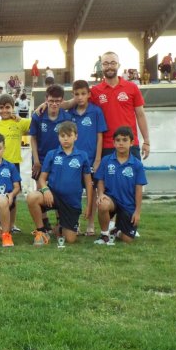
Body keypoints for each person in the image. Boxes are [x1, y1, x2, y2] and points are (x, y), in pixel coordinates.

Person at [26, 121, 93, 246]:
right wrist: (45, 190)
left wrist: (89, 206)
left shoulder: (82, 156)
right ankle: (41, 231)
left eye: (69, 135)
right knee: (32, 197)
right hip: (53, 196)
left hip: (71, 201)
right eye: (62, 136)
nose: (66, 139)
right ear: (58, 137)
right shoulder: (52, 154)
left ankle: (60, 228)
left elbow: (89, 183)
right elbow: (42, 178)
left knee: (70, 239)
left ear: (76, 136)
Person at [94, 127, 148, 245]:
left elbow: (139, 189)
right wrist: (101, 194)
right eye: (118, 140)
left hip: (128, 204)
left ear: (132, 143)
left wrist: (137, 212)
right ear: (113, 143)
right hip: (111, 200)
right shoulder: (106, 160)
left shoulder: (137, 165)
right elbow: (100, 180)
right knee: (102, 204)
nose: (121, 143)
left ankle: (116, 231)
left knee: (127, 239)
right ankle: (104, 235)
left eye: (125, 140)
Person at [69, 80, 107, 236]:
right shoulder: (69, 114)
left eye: (83, 94)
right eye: (77, 94)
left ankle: (91, 224)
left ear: (89, 95)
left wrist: (98, 159)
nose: (80, 97)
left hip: (91, 160)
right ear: (73, 95)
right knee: (75, 192)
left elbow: (100, 137)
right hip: (74, 160)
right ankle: (75, 223)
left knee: (92, 191)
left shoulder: (96, 112)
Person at [0, 94, 30, 233]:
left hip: (13, 165)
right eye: (1, 108)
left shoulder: (19, 122)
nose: (4, 110)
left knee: (13, 195)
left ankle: (12, 225)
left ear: (13, 108)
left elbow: (35, 122)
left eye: (8, 107)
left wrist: (19, 118)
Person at [30, 84, 72, 181]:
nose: (54, 104)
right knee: (40, 192)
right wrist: (36, 160)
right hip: (40, 159)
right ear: (46, 99)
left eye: (57, 101)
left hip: (60, 158)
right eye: (51, 101)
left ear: (62, 100)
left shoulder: (67, 118)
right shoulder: (37, 116)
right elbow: (33, 138)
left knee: (58, 190)